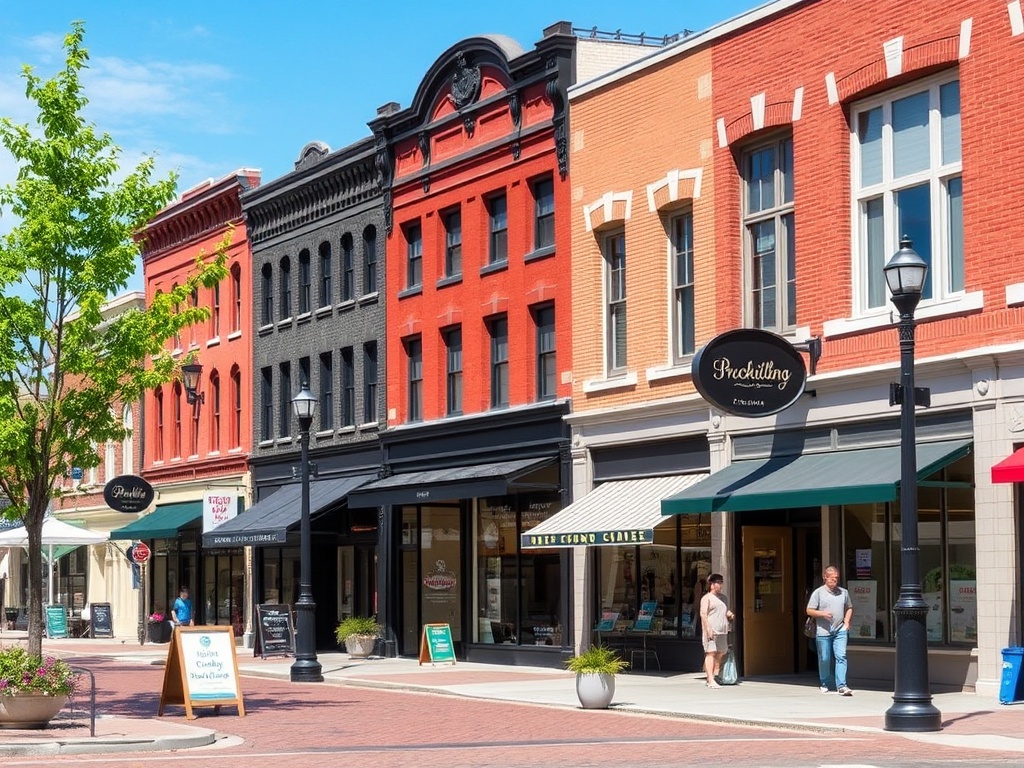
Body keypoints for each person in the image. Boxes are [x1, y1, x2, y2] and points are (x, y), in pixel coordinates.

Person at [806, 565, 854, 696]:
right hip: (823, 631)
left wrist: (847, 622)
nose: (835, 581)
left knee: (841, 656)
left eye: (837, 578)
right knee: (825, 658)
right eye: (832, 578)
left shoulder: (843, 592)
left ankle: (842, 685)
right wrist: (822, 614)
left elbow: (849, 607)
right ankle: (825, 682)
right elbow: (809, 610)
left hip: (840, 630)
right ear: (825, 578)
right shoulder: (818, 593)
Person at [699, 573, 734, 688]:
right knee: (711, 653)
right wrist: (708, 629)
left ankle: (715, 674)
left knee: (721, 652)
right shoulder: (707, 598)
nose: (720, 585)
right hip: (711, 630)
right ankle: (710, 679)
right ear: (711, 584)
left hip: (722, 630)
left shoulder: (724, 598)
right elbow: (703, 614)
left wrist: (729, 616)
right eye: (718, 582)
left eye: (721, 582)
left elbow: (725, 612)